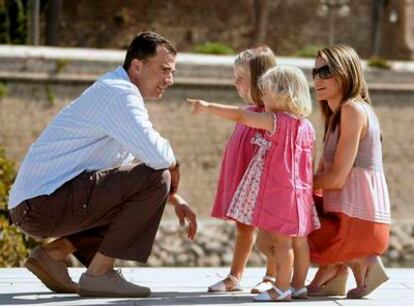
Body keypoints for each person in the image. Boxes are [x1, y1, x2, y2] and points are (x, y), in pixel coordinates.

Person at [8, 31, 197, 298]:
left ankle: (54, 254)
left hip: (36, 205)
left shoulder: (116, 91)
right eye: (164, 69)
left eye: (173, 72)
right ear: (138, 65)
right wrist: (174, 168)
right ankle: (99, 274)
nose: (170, 80)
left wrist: (174, 198)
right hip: (41, 204)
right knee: (159, 177)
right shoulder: (119, 94)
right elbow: (159, 159)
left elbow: (127, 175)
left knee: (153, 182)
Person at [188, 65, 320, 302]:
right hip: (302, 193)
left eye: (267, 93)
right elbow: (309, 161)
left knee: (282, 243)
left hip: (281, 192)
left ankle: (281, 289)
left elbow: (240, 115)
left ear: (283, 93)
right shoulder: (307, 126)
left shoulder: (275, 120)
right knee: (300, 241)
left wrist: (208, 106)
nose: (264, 98)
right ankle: (299, 286)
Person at [306, 44, 391, 299]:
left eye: (325, 71)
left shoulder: (353, 111)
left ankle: (354, 263)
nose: (317, 78)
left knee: (288, 205)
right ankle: (337, 271)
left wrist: (291, 184)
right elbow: (322, 177)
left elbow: (336, 178)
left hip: (359, 218)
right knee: (297, 202)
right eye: (314, 72)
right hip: (351, 212)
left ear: (345, 72)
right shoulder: (337, 115)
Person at [205, 46, 278, 293]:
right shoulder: (248, 112)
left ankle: (272, 275)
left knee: (271, 228)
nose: (234, 83)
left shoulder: (271, 116)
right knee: (243, 227)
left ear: (260, 81)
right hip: (244, 178)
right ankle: (235, 276)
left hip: (265, 181)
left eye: (240, 78)